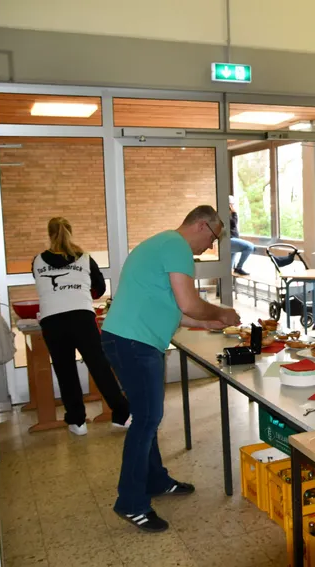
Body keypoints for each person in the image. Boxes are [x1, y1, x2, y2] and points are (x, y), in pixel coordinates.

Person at [101, 205, 241, 533]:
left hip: (125, 338)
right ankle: (131, 502)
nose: (210, 246)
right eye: (213, 237)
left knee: (146, 416)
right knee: (147, 420)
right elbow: (190, 303)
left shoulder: (162, 243)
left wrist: (214, 321)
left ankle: (155, 481)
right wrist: (221, 312)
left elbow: (179, 312)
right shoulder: (177, 247)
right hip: (135, 342)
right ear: (202, 225)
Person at [32, 217, 130, 435]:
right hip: (82, 319)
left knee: (65, 370)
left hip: (52, 321)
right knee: (99, 367)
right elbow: (99, 289)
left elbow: (43, 288)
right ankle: (121, 416)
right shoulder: (85, 259)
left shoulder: (37, 261)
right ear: (70, 232)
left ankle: (77, 422)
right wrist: (82, 294)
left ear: (50, 234)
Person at [228, 195, 254, 276]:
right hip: (230, 240)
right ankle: (239, 268)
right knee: (250, 247)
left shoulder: (228, 214)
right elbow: (234, 224)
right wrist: (234, 213)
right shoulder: (226, 214)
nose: (233, 206)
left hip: (233, 239)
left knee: (229, 269)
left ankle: (229, 284)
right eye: (232, 204)